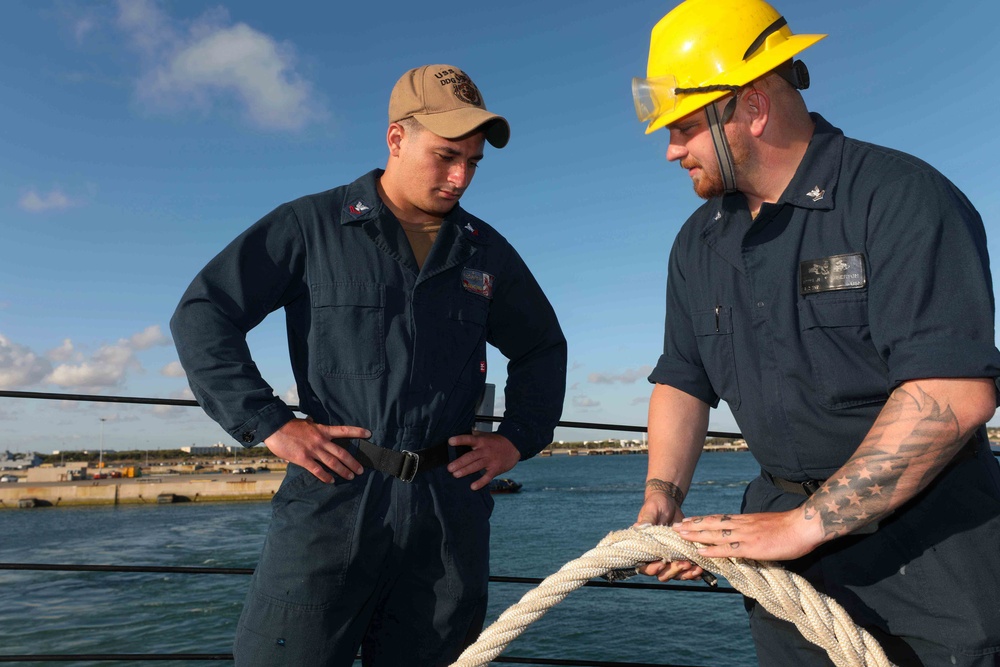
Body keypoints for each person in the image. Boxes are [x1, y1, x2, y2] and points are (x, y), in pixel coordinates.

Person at [629, 0, 1000, 664]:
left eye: (683, 128)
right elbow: (683, 379)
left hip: (934, 542)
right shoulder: (696, 245)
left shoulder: (900, 197)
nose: (670, 151)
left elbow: (952, 392)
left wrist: (803, 526)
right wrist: (663, 497)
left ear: (749, 108)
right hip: (783, 555)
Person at [170, 64, 566, 666]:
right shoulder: (311, 225)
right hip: (334, 498)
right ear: (396, 138)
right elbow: (203, 314)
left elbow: (542, 348)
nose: (461, 176)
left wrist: (517, 439)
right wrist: (269, 423)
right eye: (445, 155)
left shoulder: (485, 250)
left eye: (474, 162)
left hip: (446, 512)